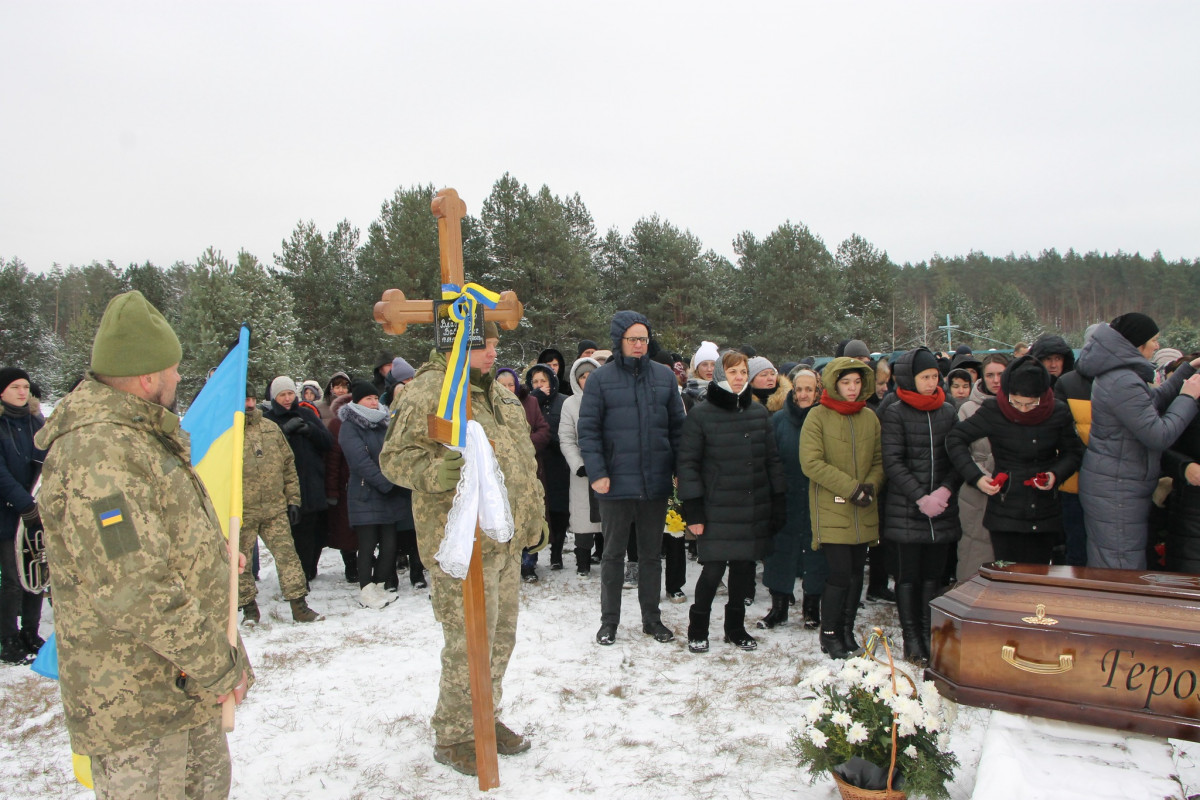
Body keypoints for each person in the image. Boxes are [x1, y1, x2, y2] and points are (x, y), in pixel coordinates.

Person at [34, 291, 251, 797]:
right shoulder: (101, 451)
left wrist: (209, 552)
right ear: (149, 376)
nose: (179, 380)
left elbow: (155, 537)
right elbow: (134, 587)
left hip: (182, 685)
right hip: (139, 703)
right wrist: (220, 665)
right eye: (174, 370)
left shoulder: (139, 437)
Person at [578, 310, 686, 646]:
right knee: (612, 555)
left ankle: (652, 620)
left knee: (652, 555)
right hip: (614, 484)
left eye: (644, 338)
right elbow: (589, 431)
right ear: (619, 341)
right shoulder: (601, 379)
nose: (639, 345)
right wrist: (598, 474)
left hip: (654, 481)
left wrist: (680, 469)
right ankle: (609, 621)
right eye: (633, 339)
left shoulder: (664, 378)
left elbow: (678, 429)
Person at [676, 351, 784, 653]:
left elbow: (772, 460)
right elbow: (688, 464)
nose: (739, 377)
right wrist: (693, 509)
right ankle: (698, 628)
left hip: (751, 506)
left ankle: (735, 629)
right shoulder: (702, 413)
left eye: (742, 371)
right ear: (722, 375)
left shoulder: (758, 413)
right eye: (732, 371)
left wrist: (777, 501)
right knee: (712, 572)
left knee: (742, 571)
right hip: (715, 508)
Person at [1074, 314, 1200, 569]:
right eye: (1153, 340)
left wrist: (1188, 369)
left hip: (1118, 484)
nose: (1156, 345)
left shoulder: (1121, 374)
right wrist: (1188, 397)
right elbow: (1158, 435)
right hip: (1117, 490)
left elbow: (1153, 401)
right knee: (1120, 567)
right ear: (1137, 343)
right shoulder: (1123, 381)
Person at [945, 356, 1084, 566]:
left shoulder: (1057, 411)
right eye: (1017, 403)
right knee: (1007, 578)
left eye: (1031, 404)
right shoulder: (995, 410)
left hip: (1044, 511)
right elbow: (955, 439)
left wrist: (1055, 475)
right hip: (1005, 510)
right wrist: (977, 477)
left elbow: (1073, 452)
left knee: (1037, 578)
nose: (1023, 409)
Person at [880, 348, 962, 665]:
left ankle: (930, 632)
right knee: (908, 576)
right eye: (924, 377)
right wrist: (919, 496)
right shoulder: (895, 411)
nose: (931, 382)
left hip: (941, 510)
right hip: (907, 510)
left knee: (934, 576)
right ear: (909, 379)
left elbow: (957, 457)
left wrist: (944, 490)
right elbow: (893, 461)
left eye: (933, 377)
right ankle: (912, 636)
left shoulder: (948, 411)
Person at [800, 357, 884, 661]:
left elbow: (878, 460)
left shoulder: (870, 418)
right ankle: (830, 633)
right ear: (835, 383)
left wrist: (871, 486)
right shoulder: (817, 417)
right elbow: (811, 462)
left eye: (857, 382)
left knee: (856, 573)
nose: (852, 388)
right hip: (832, 506)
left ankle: (847, 630)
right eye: (846, 382)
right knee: (838, 573)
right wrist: (851, 488)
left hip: (863, 508)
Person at [239, 387, 322, 624]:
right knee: (241, 562)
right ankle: (249, 610)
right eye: (244, 399)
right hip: (242, 510)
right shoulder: (226, 433)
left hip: (274, 508)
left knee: (288, 556)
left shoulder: (270, 428)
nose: (249, 403)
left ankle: (299, 606)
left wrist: (293, 500)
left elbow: (288, 466)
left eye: (252, 398)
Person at [760, 367, 827, 630]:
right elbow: (770, 460)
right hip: (785, 496)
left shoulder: (825, 419)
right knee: (780, 552)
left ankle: (812, 607)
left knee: (816, 553)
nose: (803, 394)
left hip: (816, 497)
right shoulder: (778, 421)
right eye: (798, 389)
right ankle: (778, 608)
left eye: (809, 389)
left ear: (818, 391)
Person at [341, 380, 409, 609]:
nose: (372, 402)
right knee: (367, 544)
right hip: (364, 493)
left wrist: (396, 480)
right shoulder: (349, 426)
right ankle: (365, 589)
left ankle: (379, 586)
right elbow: (360, 461)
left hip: (388, 493)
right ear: (357, 401)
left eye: (373, 398)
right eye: (366, 399)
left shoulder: (384, 422)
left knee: (390, 545)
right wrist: (385, 483)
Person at [263, 376, 334, 581]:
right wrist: (284, 432)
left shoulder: (306, 413)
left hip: (312, 483)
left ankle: (309, 570)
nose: (287, 399)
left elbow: (328, 443)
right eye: (282, 395)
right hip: (285, 488)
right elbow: (265, 452)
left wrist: (310, 430)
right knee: (292, 535)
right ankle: (296, 576)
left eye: (290, 394)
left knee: (314, 533)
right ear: (274, 397)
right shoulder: (269, 421)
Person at [0, 367, 47, 664]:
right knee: (13, 579)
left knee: (38, 574)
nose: (22, 392)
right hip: (8, 513)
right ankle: (7, 637)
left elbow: (43, 462)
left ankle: (30, 631)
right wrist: (24, 503)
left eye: (25, 387)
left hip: (35, 511)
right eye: (15, 386)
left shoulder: (35, 422)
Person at [955, 353, 1008, 581]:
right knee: (974, 555)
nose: (996, 380)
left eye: (1001, 374)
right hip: (977, 489)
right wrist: (980, 474)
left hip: (1008, 490)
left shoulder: (1019, 404)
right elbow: (960, 450)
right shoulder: (968, 409)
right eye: (990, 375)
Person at [522, 363, 570, 579]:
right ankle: (532, 556)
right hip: (536, 464)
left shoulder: (563, 401)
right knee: (539, 508)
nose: (540, 385)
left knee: (559, 510)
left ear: (552, 381)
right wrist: (535, 398)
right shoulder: (527, 402)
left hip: (559, 462)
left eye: (544, 381)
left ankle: (557, 553)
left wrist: (556, 441)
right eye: (535, 382)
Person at [557, 356, 603, 575]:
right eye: (582, 376)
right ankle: (582, 562)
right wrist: (578, 464)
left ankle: (606, 556)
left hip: (608, 468)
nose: (587, 379)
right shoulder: (570, 404)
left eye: (591, 375)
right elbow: (566, 438)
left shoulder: (609, 398)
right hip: (583, 472)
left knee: (609, 517)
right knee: (584, 519)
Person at [324, 390, 359, 583]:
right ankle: (350, 564)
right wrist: (331, 490)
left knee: (364, 528)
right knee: (345, 529)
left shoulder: (371, 421)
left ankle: (364, 559)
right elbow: (332, 461)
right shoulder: (337, 425)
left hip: (365, 484)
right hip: (344, 485)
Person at [684, 340, 719, 411]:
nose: (709, 369)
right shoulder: (687, 394)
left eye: (713, 364)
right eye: (704, 364)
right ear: (697, 368)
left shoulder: (727, 391)